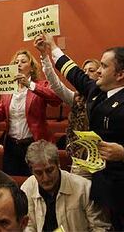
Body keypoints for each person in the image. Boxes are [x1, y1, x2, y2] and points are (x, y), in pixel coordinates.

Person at [37, 33, 124, 231]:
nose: (98, 71)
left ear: (120, 74)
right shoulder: (98, 92)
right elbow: (74, 72)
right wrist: (52, 47)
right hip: (107, 189)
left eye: (104, 66)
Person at [0, 50, 62, 176]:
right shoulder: (8, 90)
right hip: (11, 146)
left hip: (35, 144)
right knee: (13, 183)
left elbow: (56, 100)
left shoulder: (40, 85)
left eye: (23, 61)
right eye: (16, 62)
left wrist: (29, 84)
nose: (18, 64)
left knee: (35, 182)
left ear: (31, 68)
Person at [34, 34, 100, 178]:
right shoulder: (76, 98)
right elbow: (56, 85)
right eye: (85, 71)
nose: (87, 73)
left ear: (100, 74)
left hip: (102, 158)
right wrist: (44, 56)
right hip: (80, 158)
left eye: (92, 70)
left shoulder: (104, 97)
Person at [20, 140, 111, 232]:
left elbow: (100, 228)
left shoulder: (84, 188)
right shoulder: (27, 188)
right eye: (39, 173)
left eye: (50, 170)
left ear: (58, 164)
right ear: (31, 171)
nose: (46, 178)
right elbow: (27, 226)